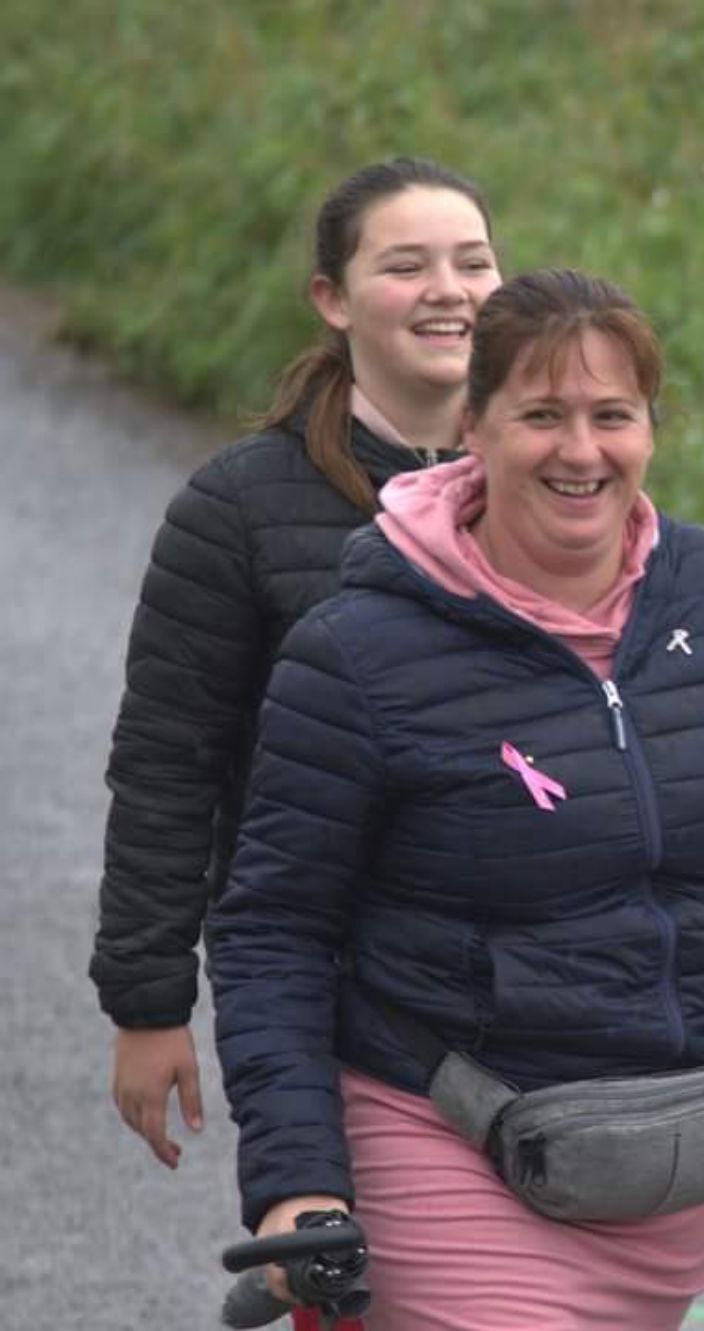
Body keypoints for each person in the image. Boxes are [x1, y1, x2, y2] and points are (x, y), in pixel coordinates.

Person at [206, 268, 704, 1327]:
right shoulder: (357, 650)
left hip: (663, 1153)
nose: (581, 450)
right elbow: (275, 928)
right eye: (541, 415)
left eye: (611, 415)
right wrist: (296, 1176)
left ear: (649, 429)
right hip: (444, 1130)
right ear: (472, 426)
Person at [91, 156, 503, 1170]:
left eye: (473, 263)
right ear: (332, 298)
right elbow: (166, 765)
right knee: (342, 1238)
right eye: (405, 266)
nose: (447, 291)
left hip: (527, 970)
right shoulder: (236, 507)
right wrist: (148, 1003)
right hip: (322, 977)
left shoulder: (556, 486)